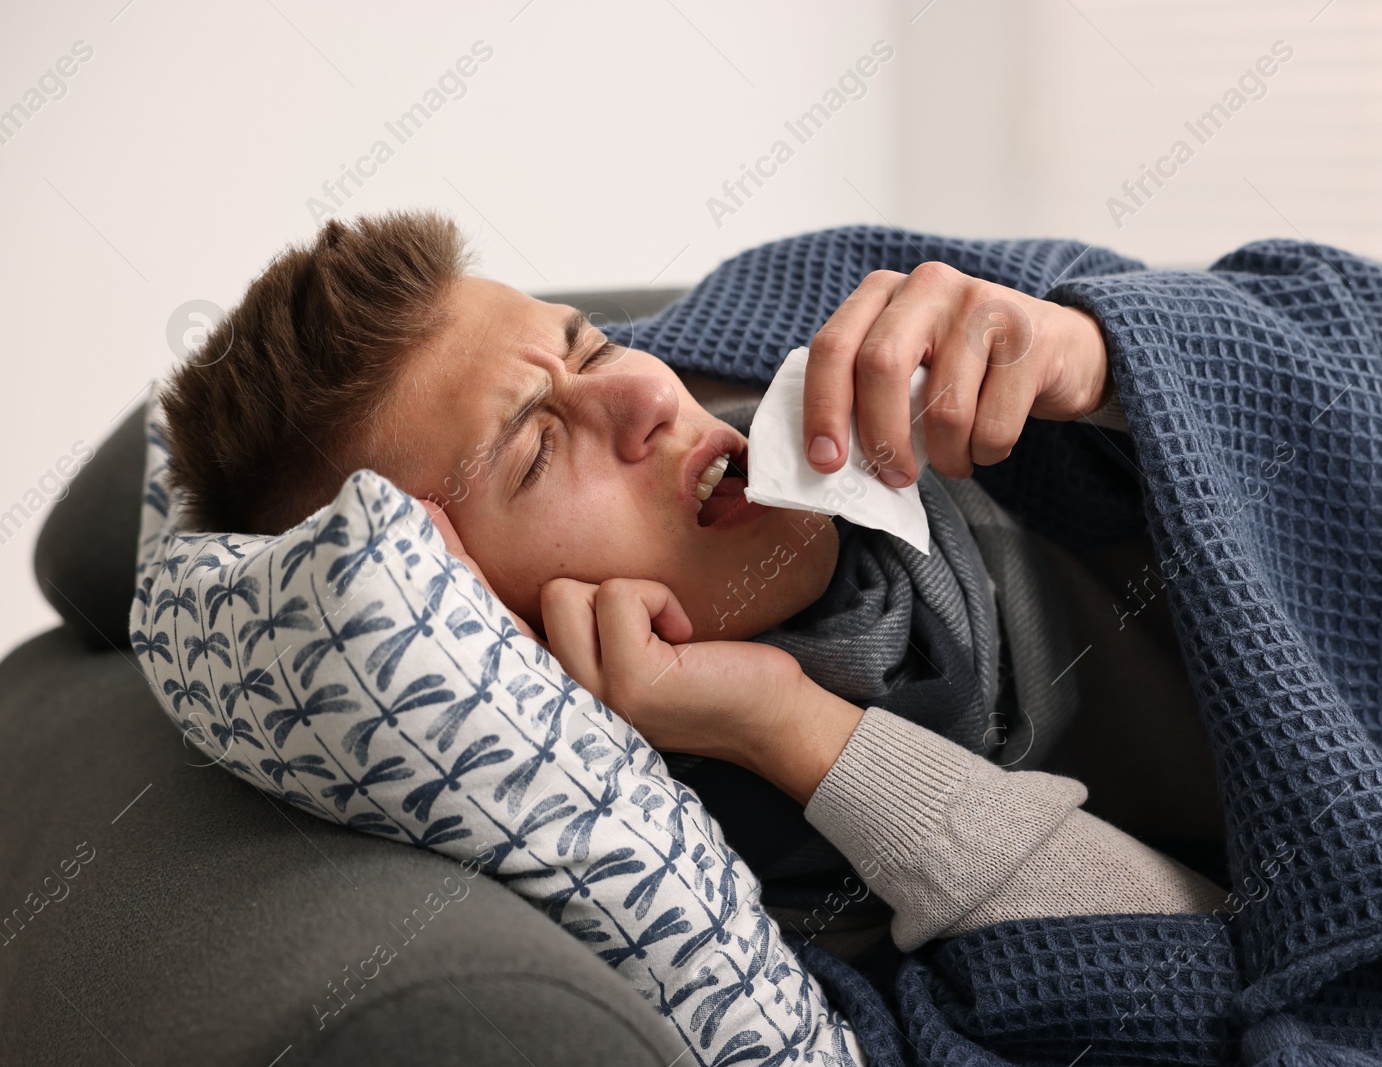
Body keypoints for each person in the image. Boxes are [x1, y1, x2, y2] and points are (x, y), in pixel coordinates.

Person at [158, 209, 1231, 964]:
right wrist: (796, 731)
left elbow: (1363, 344)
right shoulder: (767, 895)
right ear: (484, 627)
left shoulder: (834, 313)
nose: (639, 390)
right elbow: (1213, 966)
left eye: (587, 344)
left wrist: (1105, 363)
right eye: (535, 452)